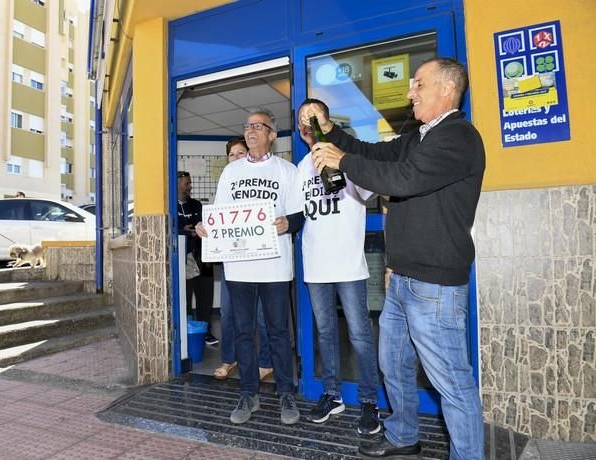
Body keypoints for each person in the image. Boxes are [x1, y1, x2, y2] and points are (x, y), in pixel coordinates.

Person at [309, 57, 485, 459]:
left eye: (419, 84)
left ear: (446, 89)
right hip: (403, 278)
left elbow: (402, 180)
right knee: (394, 365)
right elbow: (376, 154)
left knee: (452, 383)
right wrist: (333, 131)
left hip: (435, 286)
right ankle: (404, 436)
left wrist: (344, 163)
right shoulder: (420, 137)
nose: (410, 92)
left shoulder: (458, 137)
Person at [196, 108, 304, 425]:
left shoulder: (287, 171)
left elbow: (299, 215)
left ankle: (286, 394)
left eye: (259, 126)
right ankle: (248, 393)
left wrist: (289, 223)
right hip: (240, 267)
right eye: (248, 126)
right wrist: (207, 229)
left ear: (272, 134)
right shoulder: (231, 173)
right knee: (243, 332)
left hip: (274, 266)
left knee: (278, 333)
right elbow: (218, 215)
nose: (252, 130)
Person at [296, 99, 381, 434]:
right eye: (302, 118)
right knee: (326, 333)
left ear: (326, 121)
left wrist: (343, 159)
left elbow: (370, 189)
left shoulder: (346, 159)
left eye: (312, 116)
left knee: (360, 335)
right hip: (315, 266)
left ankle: (370, 401)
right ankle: (333, 395)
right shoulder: (302, 166)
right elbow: (292, 214)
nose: (307, 122)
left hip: (348, 265)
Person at [214, 137, 274, 382]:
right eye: (232, 155)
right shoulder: (226, 181)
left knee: (262, 314)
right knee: (228, 313)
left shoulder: (259, 183)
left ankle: (266, 362)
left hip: (260, 260)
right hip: (233, 261)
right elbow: (217, 215)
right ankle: (229, 359)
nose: (237, 158)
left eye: (242, 153)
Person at [177, 170, 217, 346]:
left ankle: (205, 331)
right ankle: (187, 332)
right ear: (177, 184)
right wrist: (183, 231)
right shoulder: (171, 205)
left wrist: (192, 231)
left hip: (203, 256)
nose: (190, 186)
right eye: (187, 183)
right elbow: (172, 229)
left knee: (205, 297)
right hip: (183, 258)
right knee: (184, 297)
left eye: (190, 183)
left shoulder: (197, 205)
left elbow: (205, 226)